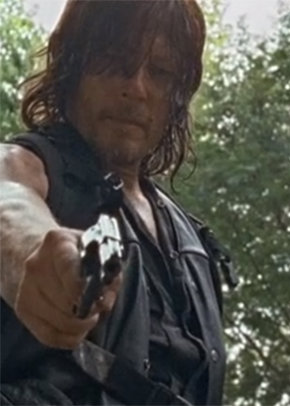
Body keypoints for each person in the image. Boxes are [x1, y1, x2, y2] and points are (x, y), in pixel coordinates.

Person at [0, 1, 236, 405]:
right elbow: (8, 197)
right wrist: (33, 250)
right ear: (72, 66)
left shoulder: (191, 239)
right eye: (114, 61)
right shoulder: (32, 165)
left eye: (160, 72)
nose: (136, 88)